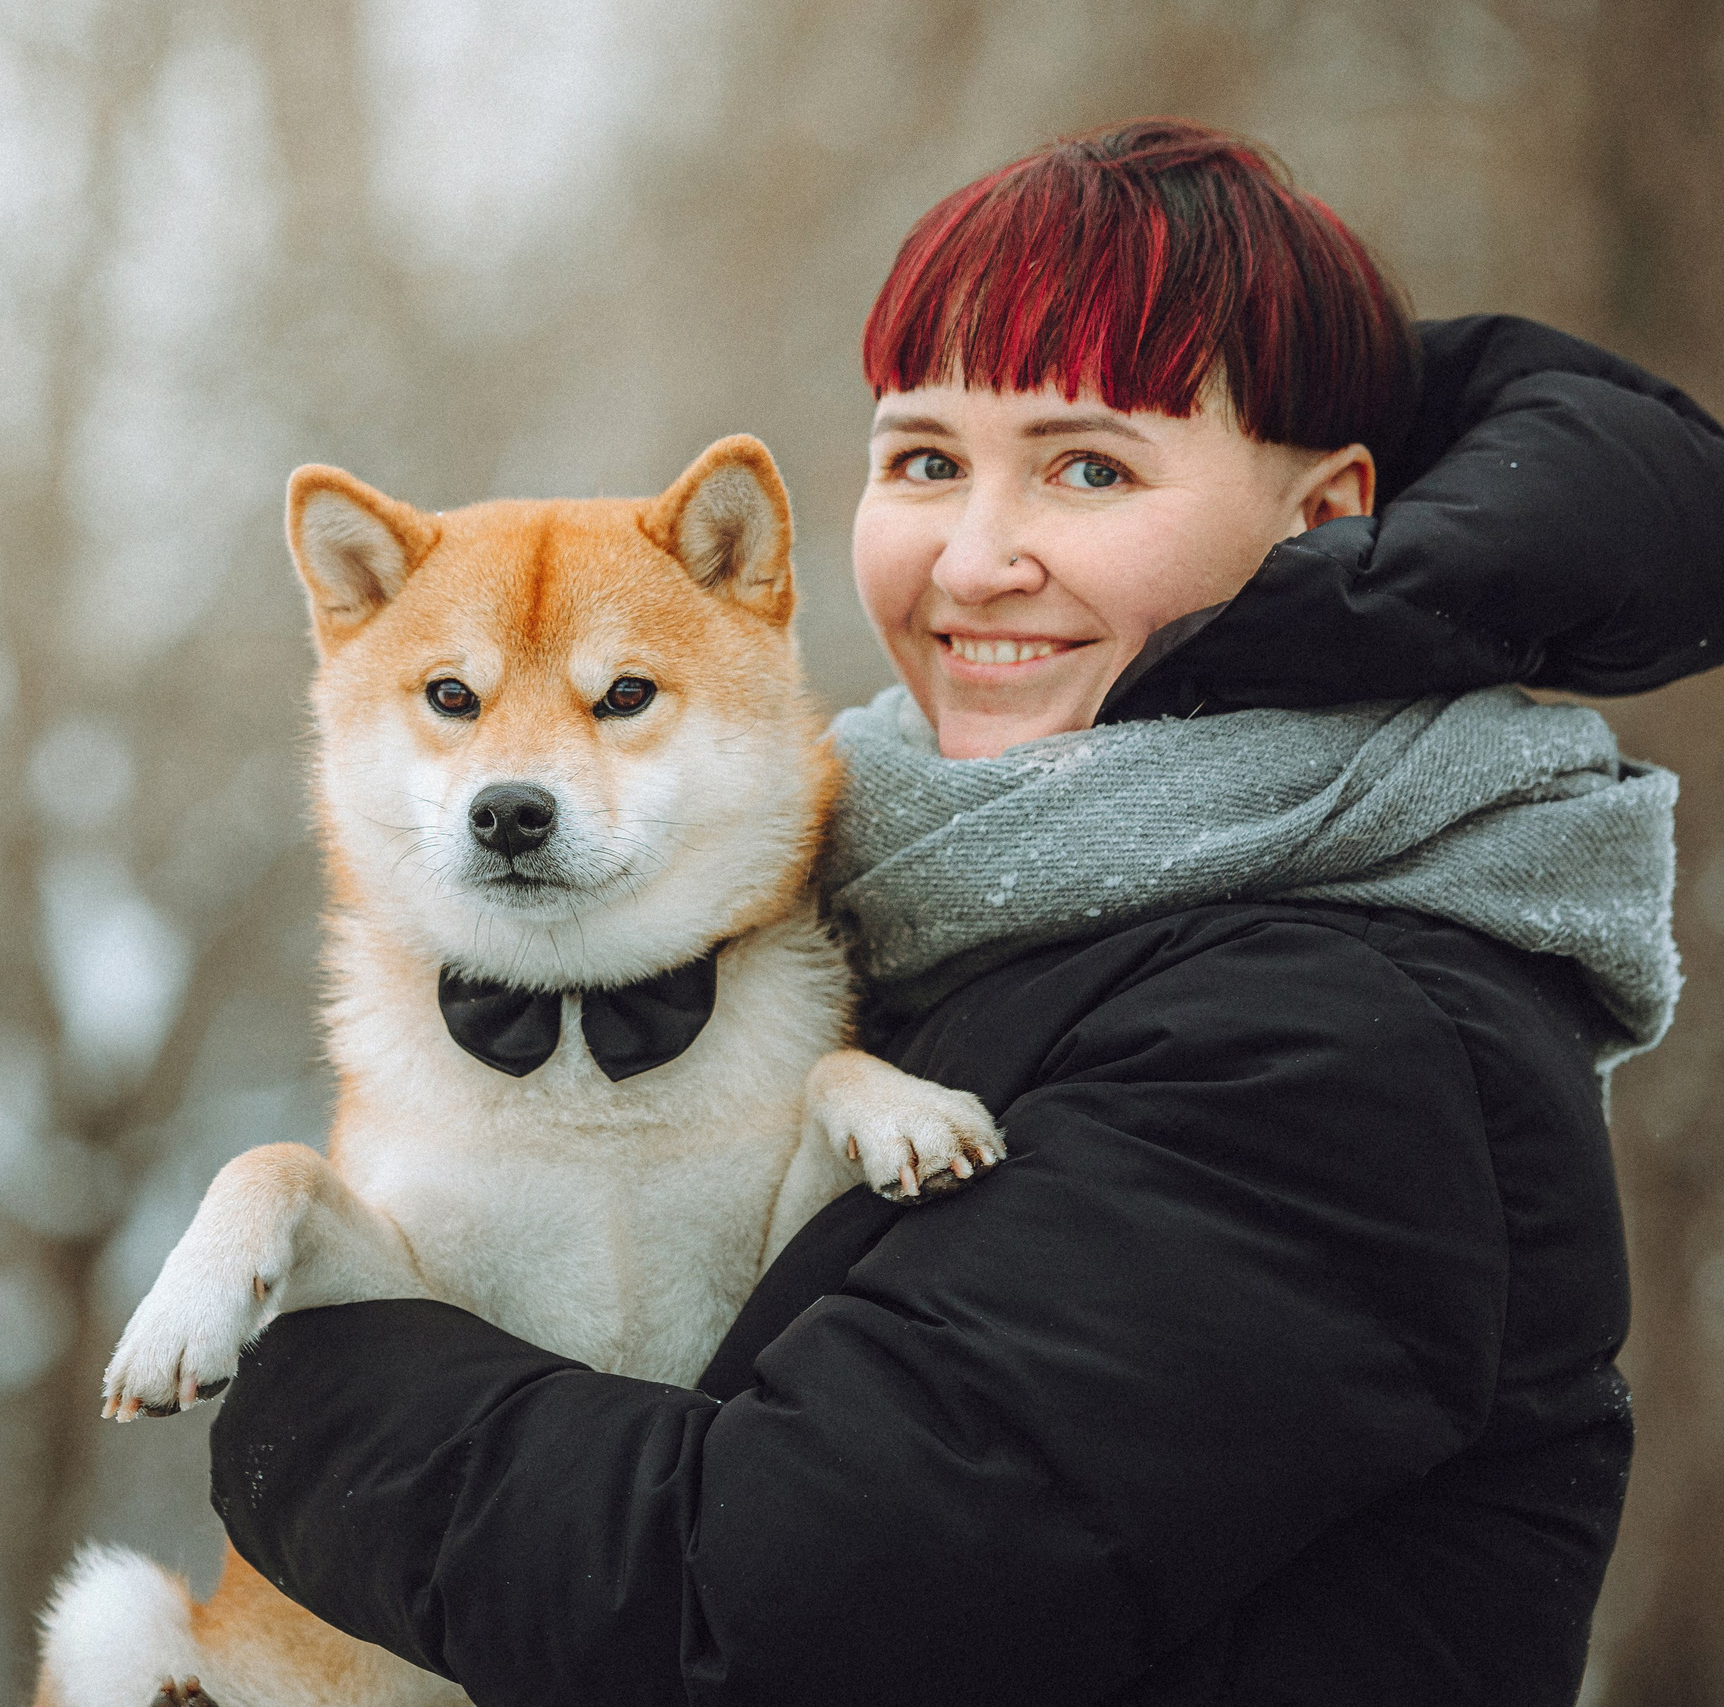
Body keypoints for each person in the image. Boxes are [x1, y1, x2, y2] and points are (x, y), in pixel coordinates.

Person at [205, 120, 1724, 1703]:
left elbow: (774, 1603)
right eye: (926, 461)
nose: (977, 559)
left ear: (1325, 515)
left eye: (1090, 468)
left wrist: (313, 1397)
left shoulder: (1344, 1041)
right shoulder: (918, 899)